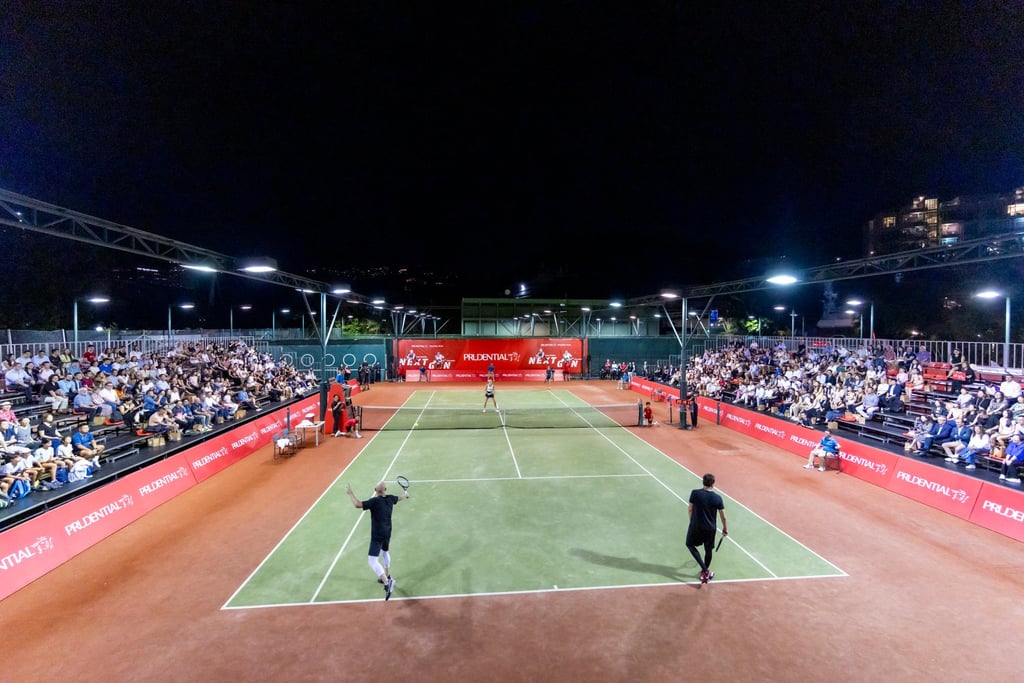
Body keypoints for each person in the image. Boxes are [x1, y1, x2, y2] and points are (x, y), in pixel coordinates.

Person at [345, 480, 409, 600]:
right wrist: (405, 495)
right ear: (385, 490)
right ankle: (387, 576)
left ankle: (387, 582)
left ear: (375, 490)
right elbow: (399, 498)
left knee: (372, 561)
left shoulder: (374, 501)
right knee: (385, 552)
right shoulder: (390, 498)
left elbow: (357, 504)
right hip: (388, 531)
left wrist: (350, 494)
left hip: (377, 534)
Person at [686, 473, 727, 584]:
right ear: (713, 483)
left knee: (689, 544)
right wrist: (724, 529)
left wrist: (692, 522)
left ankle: (705, 570)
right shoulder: (718, 498)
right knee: (708, 550)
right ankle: (705, 571)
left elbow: (690, 509)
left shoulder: (695, 493)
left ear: (703, 482)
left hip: (696, 526)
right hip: (710, 529)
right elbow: (723, 516)